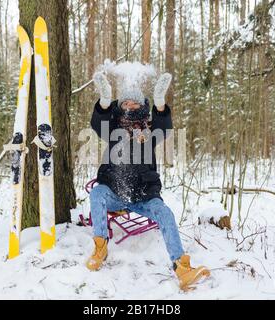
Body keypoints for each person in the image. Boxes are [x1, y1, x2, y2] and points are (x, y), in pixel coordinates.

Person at [86, 71, 210, 291]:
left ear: (143, 105)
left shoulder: (150, 131)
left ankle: (182, 267)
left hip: (143, 196)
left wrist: (160, 102)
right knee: (97, 193)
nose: (131, 105)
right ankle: (100, 248)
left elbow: (164, 127)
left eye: (136, 102)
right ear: (121, 105)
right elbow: (99, 123)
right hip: (114, 194)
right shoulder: (113, 128)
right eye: (126, 102)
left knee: (165, 212)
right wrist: (105, 100)